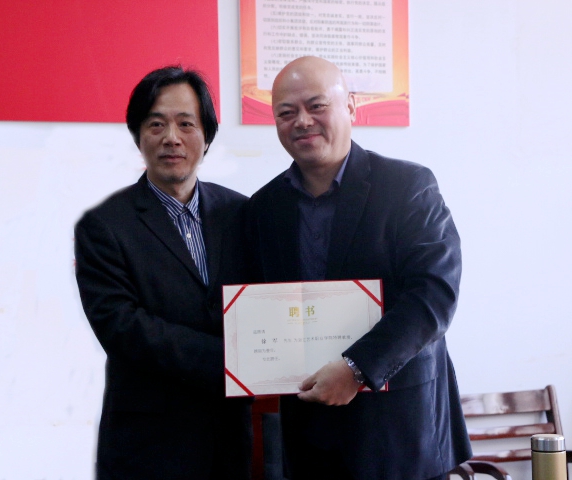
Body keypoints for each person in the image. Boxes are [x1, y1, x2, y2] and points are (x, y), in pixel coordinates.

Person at [247, 56, 472, 479]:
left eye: (317, 106)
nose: (302, 121)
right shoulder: (262, 208)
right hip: (309, 438)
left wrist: (356, 369)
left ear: (350, 106)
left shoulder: (408, 186)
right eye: (286, 112)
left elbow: (435, 294)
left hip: (400, 433)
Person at [74, 66, 252, 480]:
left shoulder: (242, 213)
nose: (172, 137)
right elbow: (123, 328)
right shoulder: (104, 226)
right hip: (149, 445)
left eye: (186, 124)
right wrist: (232, 361)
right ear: (138, 136)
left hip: (230, 439)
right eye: (156, 124)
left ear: (206, 136)